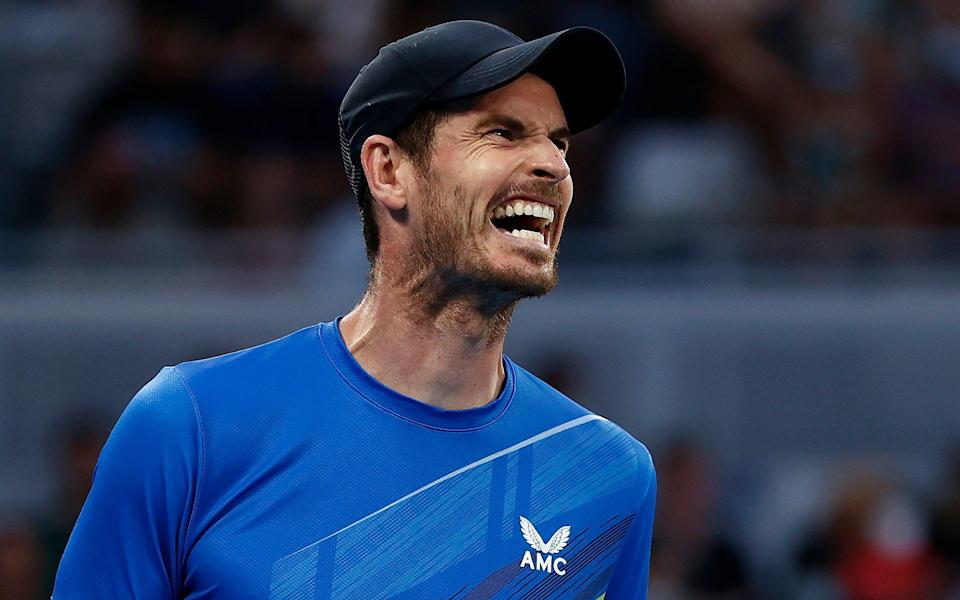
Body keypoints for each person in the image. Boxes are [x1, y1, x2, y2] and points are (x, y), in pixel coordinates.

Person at [53, 20, 655, 598]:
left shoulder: (610, 475)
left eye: (559, 141)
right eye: (503, 132)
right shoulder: (191, 426)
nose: (554, 164)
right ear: (389, 171)